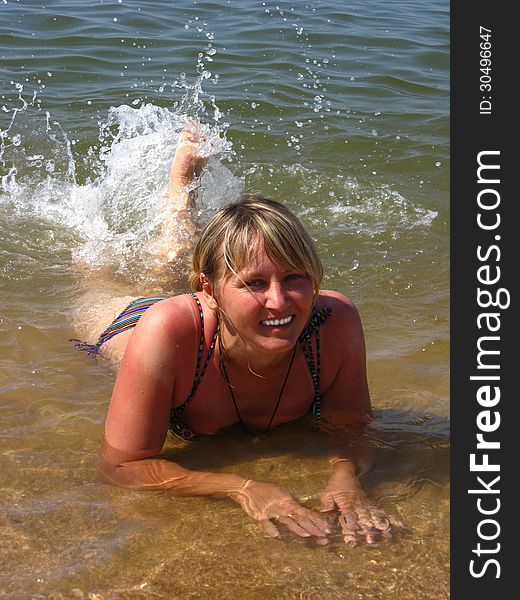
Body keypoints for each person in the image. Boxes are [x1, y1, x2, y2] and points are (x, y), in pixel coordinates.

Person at [73, 126, 402, 546]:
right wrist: (240, 488)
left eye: (294, 277)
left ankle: (190, 200)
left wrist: (345, 476)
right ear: (208, 292)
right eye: (256, 283)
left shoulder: (332, 322)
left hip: (212, 315)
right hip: (132, 324)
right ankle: (180, 186)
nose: (280, 301)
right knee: (99, 275)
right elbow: (119, 467)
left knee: (177, 267)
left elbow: (353, 429)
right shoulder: (165, 329)